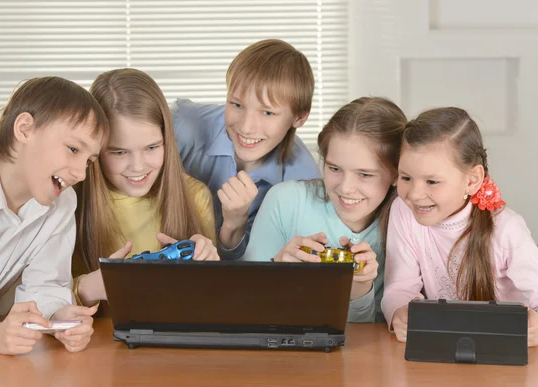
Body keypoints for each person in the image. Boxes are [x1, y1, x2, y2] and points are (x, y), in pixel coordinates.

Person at [0, 76, 108, 354]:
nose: (80, 173)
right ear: (25, 129)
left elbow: (46, 283)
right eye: (73, 149)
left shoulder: (63, 203)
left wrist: (58, 319)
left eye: (89, 161)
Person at [381, 107, 538, 346]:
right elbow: (399, 286)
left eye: (432, 181)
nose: (414, 194)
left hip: (502, 353)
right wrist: (398, 313)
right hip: (443, 350)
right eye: (405, 178)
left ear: (472, 180)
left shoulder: (507, 229)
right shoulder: (403, 212)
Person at [244, 97, 407, 322]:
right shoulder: (285, 201)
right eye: (334, 168)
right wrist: (276, 270)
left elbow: (375, 335)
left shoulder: (408, 221)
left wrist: (359, 289)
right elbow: (245, 306)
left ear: (397, 174)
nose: (346, 188)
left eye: (365, 174)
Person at [73, 68, 219, 307]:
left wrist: (210, 269)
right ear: (97, 149)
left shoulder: (195, 195)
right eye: (119, 152)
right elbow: (43, 297)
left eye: (152, 147)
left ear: (167, 140)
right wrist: (89, 288)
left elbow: (213, 302)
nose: (138, 166)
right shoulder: (70, 201)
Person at [171, 39, 322, 260]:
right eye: (237, 105)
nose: (246, 127)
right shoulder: (184, 125)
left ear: (299, 117)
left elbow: (249, 274)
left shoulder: (303, 186)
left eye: (267, 112)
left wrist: (235, 223)